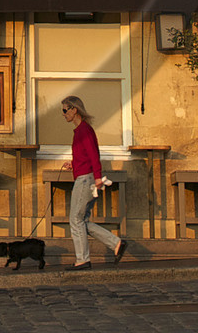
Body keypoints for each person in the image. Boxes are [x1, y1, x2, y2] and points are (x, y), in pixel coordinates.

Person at [60, 95, 125, 269]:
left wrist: (97, 177)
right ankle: (116, 243)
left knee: (75, 219)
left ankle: (83, 259)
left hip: (85, 180)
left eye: (65, 110)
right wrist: (74, 164)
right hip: (84, 176)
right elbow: (85, 155)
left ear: (74, 110)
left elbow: (94, 155)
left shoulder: (84, 130)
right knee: (81, 220)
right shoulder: (80, 131)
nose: (63, 114)